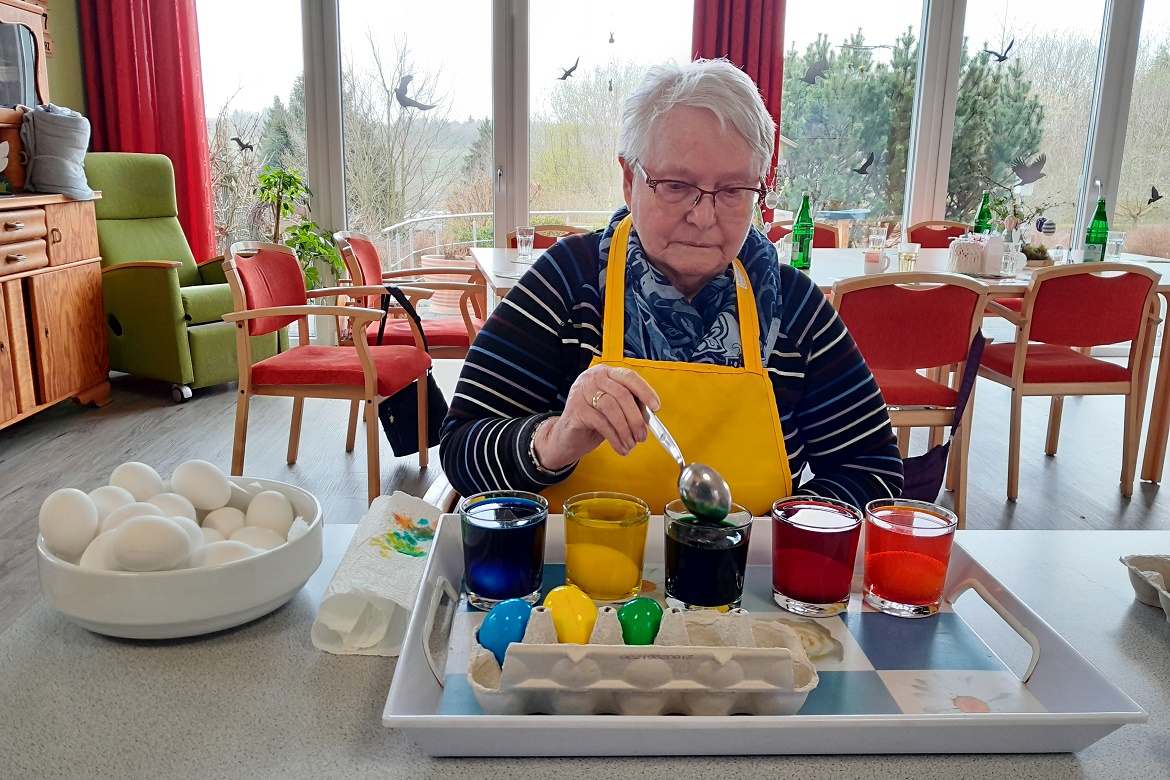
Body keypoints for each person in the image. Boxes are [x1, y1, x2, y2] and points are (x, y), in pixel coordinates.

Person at [440, 59, 902, 515]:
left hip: (741, 579)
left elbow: (873, 470)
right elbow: (460, 451)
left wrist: (781, 531)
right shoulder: (568, 283)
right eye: (676, 186)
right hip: (576, 581)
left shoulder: (796, 308)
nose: (703, 216)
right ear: (629, 180)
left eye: (733, 190)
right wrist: (552, 441)